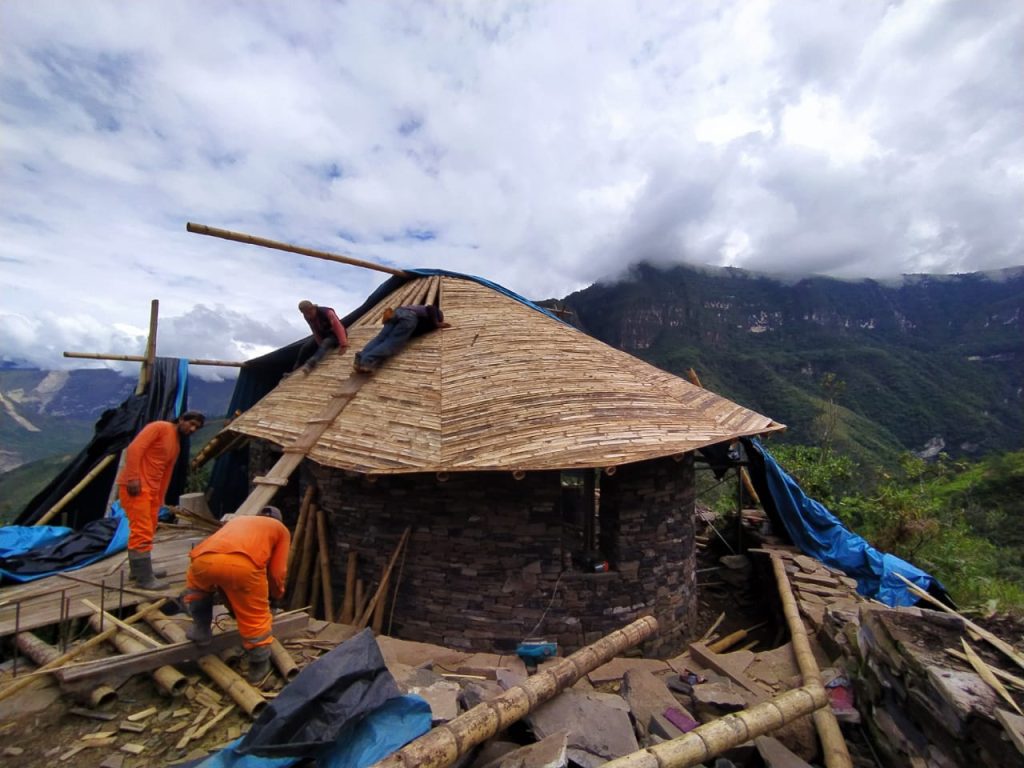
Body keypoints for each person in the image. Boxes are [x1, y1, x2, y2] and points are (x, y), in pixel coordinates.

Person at [182, 506, 291, 682]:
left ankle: (200, 630)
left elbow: (223, 569)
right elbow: (277, 573)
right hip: (243, 566)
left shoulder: (239, 520)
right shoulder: (280, 530)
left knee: (198, 591)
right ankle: (259, 663)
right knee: (254, 615)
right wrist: (276, 595)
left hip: (202, 559)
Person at [117, 411, 206, 590]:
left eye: (196, 427)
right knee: (141, 529)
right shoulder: (159, 427)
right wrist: (133, 477)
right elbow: (135, 449)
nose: (192, 429)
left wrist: (160, 499)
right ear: (181, 419)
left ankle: (139, 571)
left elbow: (166, 472)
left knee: (149, 527)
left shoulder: (176, 444)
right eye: (191, 424)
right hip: (137, 487)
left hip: (151, 491)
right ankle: (144, 579)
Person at [353, 304, 450, 373]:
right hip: (409, 317)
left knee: (380, 338)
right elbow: (431, 307)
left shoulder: (418, 310)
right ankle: (367, 362)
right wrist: (437, 323)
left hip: (396, 312)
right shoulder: (437, 314)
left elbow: (414, 331)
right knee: (392, 343)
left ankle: (360, 358)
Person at [292, 299, 348, 375]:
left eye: (309, 313)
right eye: (305, 314)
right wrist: (319, 343)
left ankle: (311, 363)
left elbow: (338, 327)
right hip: (324, 334)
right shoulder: (307, 316)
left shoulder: (327, 312)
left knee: (326, 343)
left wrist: (343, 344)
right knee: (305, 347)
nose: (308, 315)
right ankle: (294, 370)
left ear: (312, 308)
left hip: (335, 335)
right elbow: (314, 330)